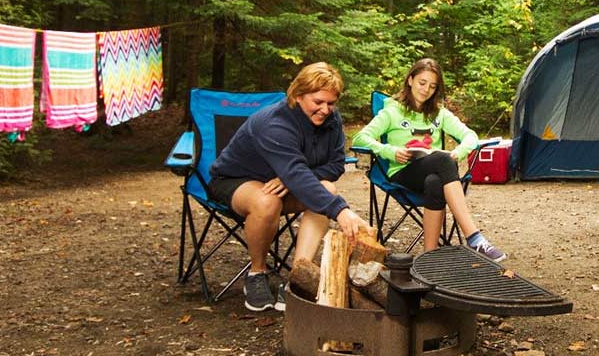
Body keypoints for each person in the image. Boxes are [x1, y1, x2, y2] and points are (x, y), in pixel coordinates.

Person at [209, 62, 370, 311]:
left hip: (288, 182)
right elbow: (295, 171)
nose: (325, 110)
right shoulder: (274, 123)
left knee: (326, 190)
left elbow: (336, 164)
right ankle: (256, 274)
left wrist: (291, 177)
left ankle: (297, 279)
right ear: (297, 95)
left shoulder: (331, 119)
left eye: (331, 103)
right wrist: (341, 211)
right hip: (236, 181)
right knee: (267, 200)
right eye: (318, 102)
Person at [352, 58, 507, 262]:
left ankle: (429, 257)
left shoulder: (439, 114)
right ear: (410, 80)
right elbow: (359, 138)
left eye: (432, 86)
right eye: (422, 83)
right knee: (442, 161)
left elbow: (470, 136)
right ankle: (474, 238)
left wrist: (457, 153)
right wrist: (390, 151)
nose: (426, 90)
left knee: (435, 180)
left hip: (433, 171)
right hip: (402, 173)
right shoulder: (391, 111)